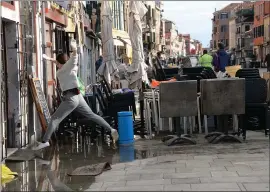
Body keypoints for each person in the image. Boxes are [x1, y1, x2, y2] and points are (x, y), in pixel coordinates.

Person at [33, 40, 118, 150]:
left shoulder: (64, 70)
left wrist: (74, 50)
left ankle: (45, 141)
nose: (56, 65)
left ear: (60, 64)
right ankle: (111, 129)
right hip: (78, 97)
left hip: (70, 99)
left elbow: (73, 58)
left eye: (57, 63)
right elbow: (62, 62)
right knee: (92, 115)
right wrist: (49, 59)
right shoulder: (69, 68)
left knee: (54, 119)